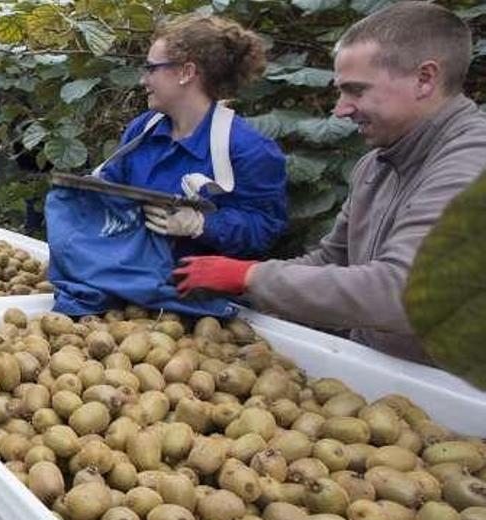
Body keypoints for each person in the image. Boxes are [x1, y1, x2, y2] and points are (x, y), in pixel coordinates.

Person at [173, 2, 486, 363]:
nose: (340, 109)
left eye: (356, 90)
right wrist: (235, 288)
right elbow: (333, 259)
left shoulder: (472, 161)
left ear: (425, 79)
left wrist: (250, 276)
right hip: (387, 379)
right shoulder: (376, 166)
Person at [45, 15, 287, 316]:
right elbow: (114, 197)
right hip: (125, 288)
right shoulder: (142, 131)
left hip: (196, 305)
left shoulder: (249, 150)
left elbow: (264, 229)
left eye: (151, 69)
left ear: (186, 72)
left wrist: (203, 225)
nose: (144, 80)